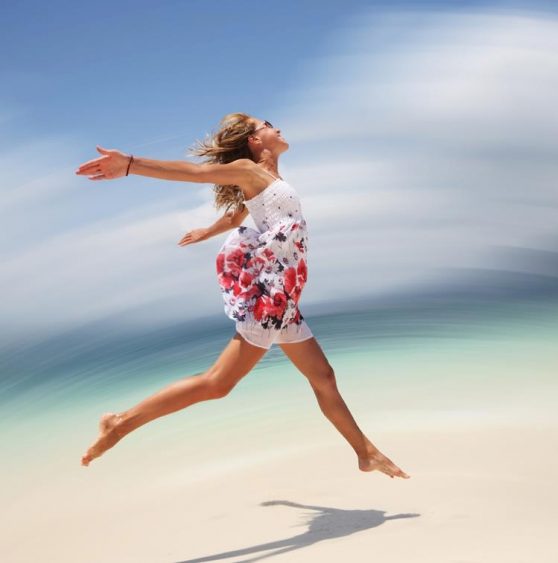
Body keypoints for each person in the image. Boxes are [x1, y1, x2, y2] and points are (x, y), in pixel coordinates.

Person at [74, 113, 410, 479]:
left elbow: (238, 215)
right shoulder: (249, 170)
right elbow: (195, 174)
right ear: (254, 140)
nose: (275, 126)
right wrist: (130, 165)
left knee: (323, 377)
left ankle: (365, 453)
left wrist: (207, 230)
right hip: (271, 299)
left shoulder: (268, 182)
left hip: (285, 298)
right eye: (265, 124)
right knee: (217, 383)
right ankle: (120, 424)